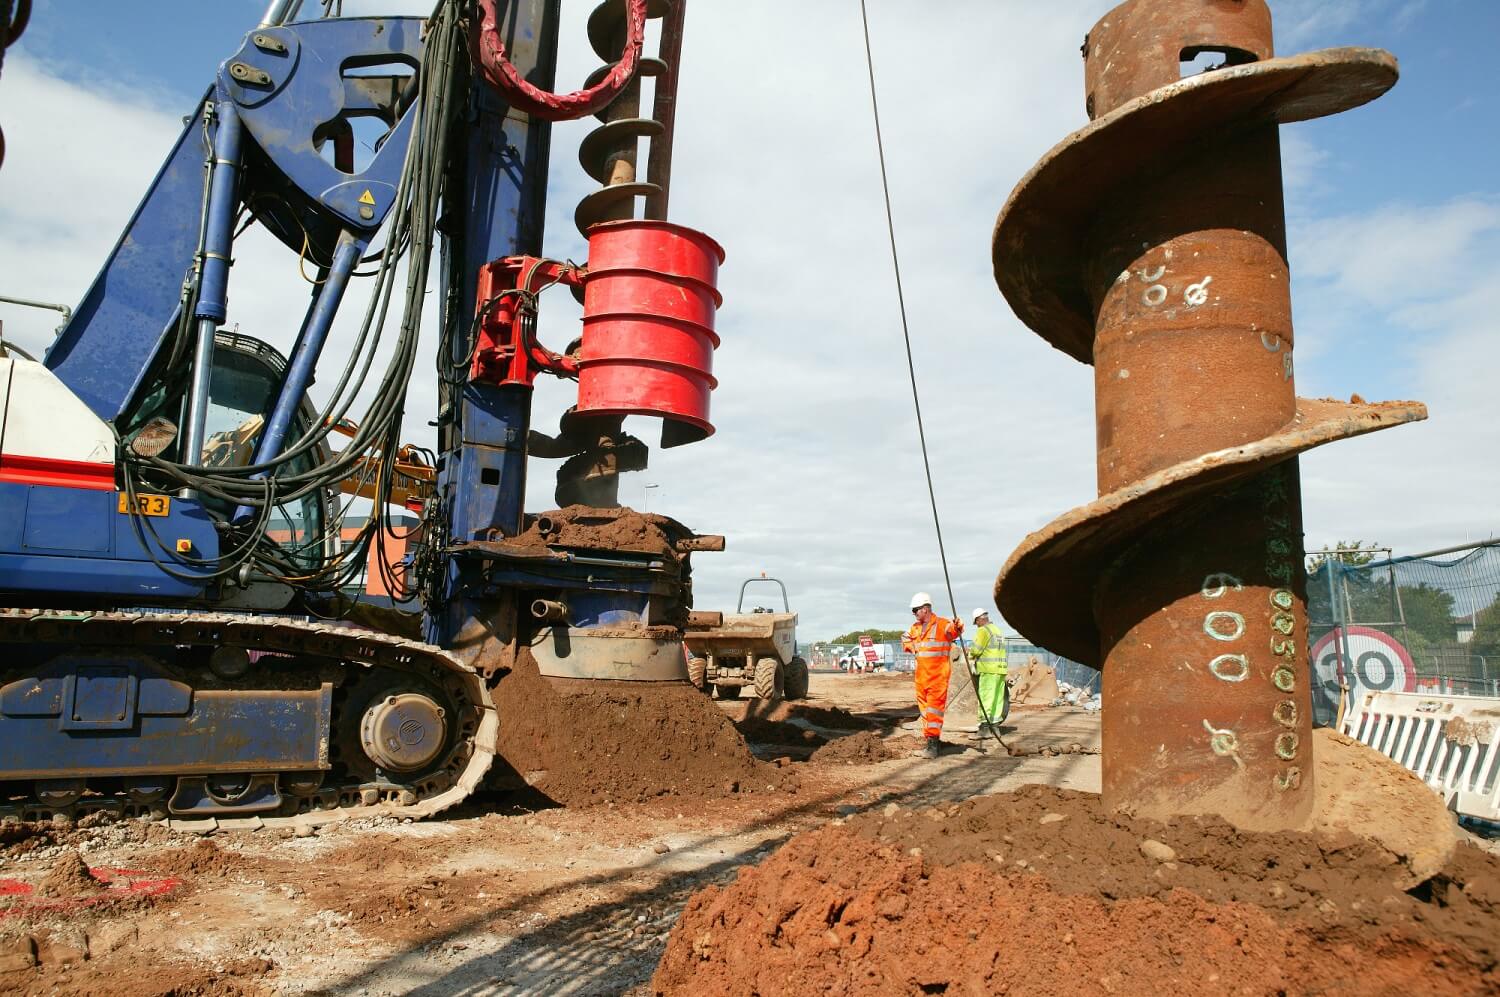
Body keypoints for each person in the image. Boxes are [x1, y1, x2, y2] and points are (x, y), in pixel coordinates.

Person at [903, 592, 963, 758]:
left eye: (916, 610)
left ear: (925, 608)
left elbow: (954, 631)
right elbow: (905, 637)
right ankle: (930, 742)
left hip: (937, 678)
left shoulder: (943, 624)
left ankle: (933, 746)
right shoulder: (915, 627)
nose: (914, 613)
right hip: (921, 679)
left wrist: (959, 625)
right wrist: (911, 646)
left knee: (934, 713)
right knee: (925, 713)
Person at [970, 608, 1009, 737]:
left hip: (988, 670)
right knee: (997, 699)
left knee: (986, 698)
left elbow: (976, 650)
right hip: (1001, 670)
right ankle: (995, 728)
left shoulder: (983, 631)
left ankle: (984, 728)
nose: (977, 626)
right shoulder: (997, 630)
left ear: (979, 619)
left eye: (976, 623)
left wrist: (970, 655)